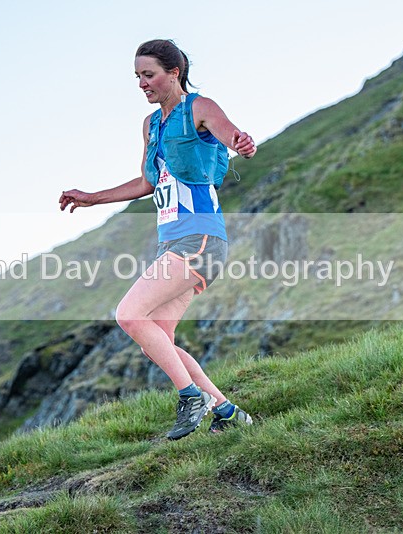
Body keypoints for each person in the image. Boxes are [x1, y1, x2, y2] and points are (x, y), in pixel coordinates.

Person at [59, 39, 257, 440]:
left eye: (148, 75)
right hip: (173, 242)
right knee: (158, 341)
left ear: (174, 73)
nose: (141, 84)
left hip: (200, 238)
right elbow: (149, 182)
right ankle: (226, 410)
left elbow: (231, 135)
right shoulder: (151, 125)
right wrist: (92, 197)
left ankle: (191, 397)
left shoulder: (200, 109)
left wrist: (242, 143)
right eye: (137, 77)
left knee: (129, 315)